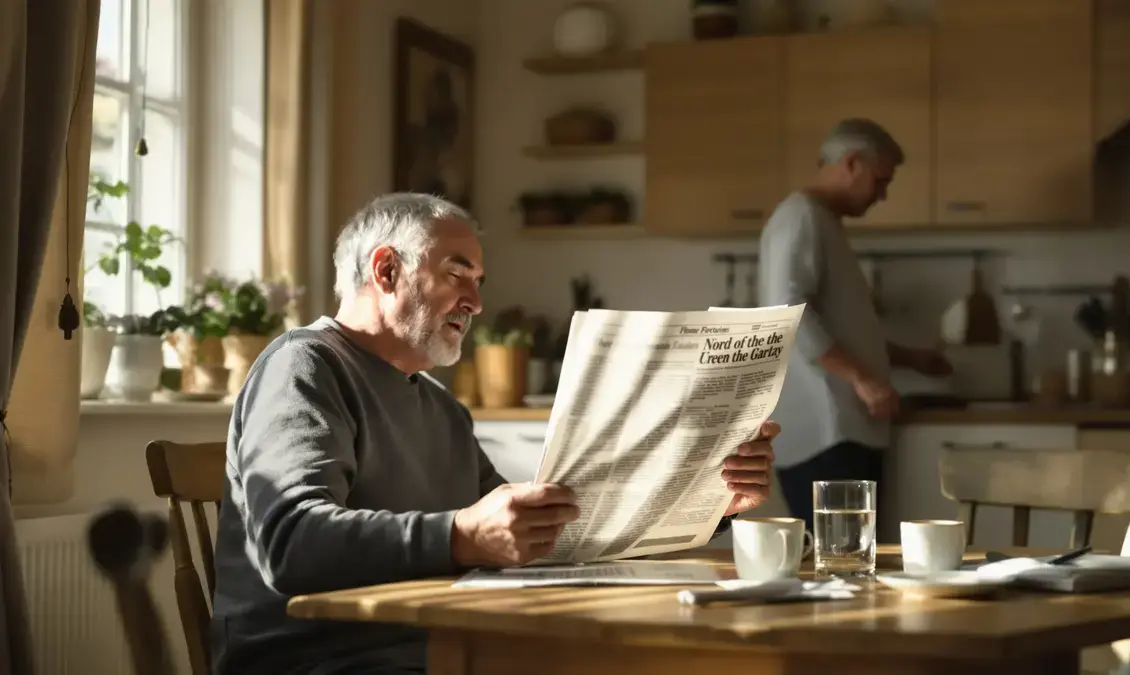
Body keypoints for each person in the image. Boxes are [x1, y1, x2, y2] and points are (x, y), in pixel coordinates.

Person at [209, 192, 783, 675]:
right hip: (320, 663)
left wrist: (711, 498)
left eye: (479, 280)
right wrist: (460, 536)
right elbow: (290, 543)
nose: (477, 302)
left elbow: (535, 537)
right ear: (386, 271)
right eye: (458, 272)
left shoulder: (441, 409)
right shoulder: (303, 366)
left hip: (438, 649)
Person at [758, 119, 952, 527]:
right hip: (827, 432)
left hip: (843, 429)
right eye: (881, 180)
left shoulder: (821, 220)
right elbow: (788, 314)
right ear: (852, 163)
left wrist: (906, 358)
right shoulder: (800, 218)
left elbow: (836, 324)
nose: (883, 195)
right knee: (842, 566)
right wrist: (864, 378)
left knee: (850, 563)